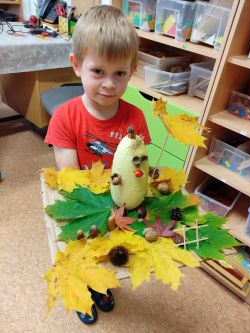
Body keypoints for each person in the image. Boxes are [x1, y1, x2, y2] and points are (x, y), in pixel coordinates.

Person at [44, 5, 151, 325]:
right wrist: (101, 205)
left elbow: (139, 168)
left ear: (132, 70)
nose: (109, 83)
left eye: (119, 73)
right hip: (85, 202)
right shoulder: (66, 116)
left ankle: (102, 286)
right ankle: (81, 290)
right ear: (76, 66)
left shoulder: (136, 118)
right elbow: (69, 175)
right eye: (98, 72)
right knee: (82, 250)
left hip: (121, 204)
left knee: (111, 251)